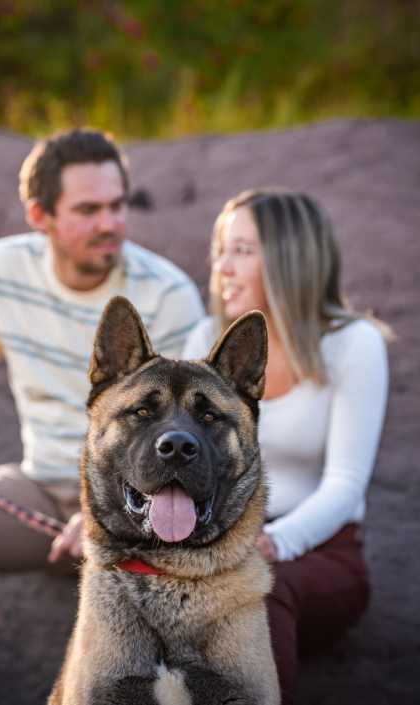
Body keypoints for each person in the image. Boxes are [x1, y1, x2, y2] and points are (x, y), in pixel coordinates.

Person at [0, 127, 204, 574]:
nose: (109, 223)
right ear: (39, 215)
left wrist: (103, 514)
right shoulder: (1, 270)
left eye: (117, 205)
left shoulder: (168, 294)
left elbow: (188, 432)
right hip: (42, 490)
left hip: (146, 498)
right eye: (88, 210)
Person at [182, 188, 391, 705]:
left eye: (242, 251)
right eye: (220, 249)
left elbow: (345, 484)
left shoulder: (353, 344)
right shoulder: (204, 338)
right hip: (219, 542)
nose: (222, 267)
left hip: (317, 549)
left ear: (291, 258)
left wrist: (273, 543)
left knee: (259, 593)